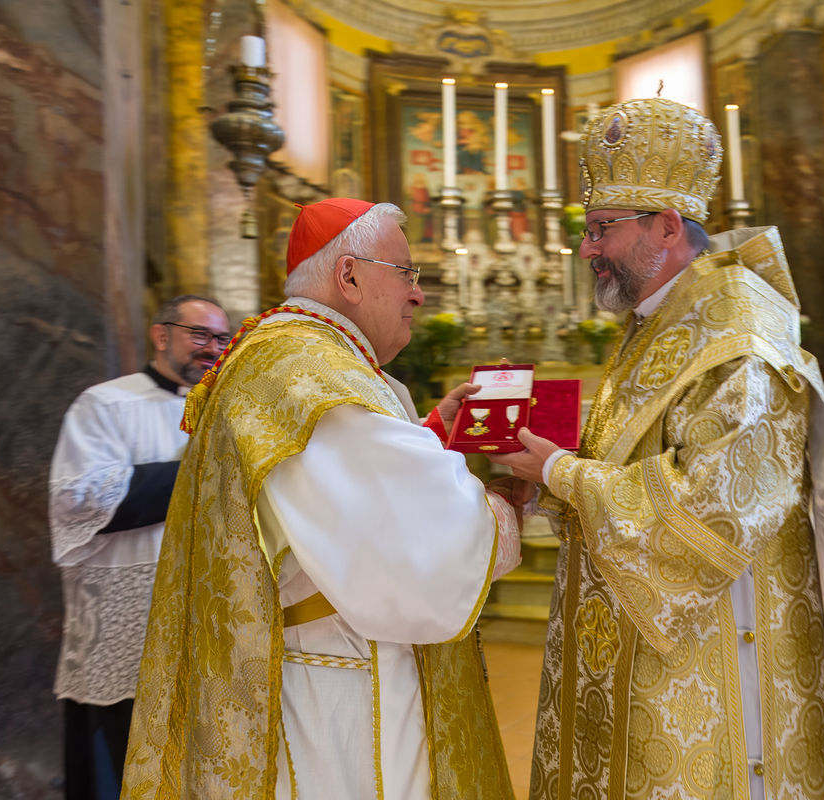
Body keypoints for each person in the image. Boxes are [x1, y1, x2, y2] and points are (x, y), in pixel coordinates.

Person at [489, 98, 824, 799]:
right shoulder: (656, 323)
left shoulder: (739, 330)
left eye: (601, 230)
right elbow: (629, 457)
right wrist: (553, 472)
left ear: (667, 227)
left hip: (710, 657)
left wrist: (561, 471)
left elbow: (716, 507)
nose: (587, 249)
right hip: (640, 651)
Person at [121, 198, 525, 799]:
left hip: (313, 668)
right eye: (406, 273)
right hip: (337, 696)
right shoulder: (313, 376)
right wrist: (509, 500)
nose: (418, 294)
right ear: (350, 275)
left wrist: (430, 433)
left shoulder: (292, 357)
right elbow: (424, 545)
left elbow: (337, 492)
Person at [48, 295, 231, 800]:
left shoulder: (230, 413)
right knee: (120, 766)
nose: (211, 349)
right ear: (161, 334)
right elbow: (79, 499)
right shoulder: (105, 404)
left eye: (220, 339)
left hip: (205, 621)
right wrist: (196, 471)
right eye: (199, 335)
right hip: (125, 627)